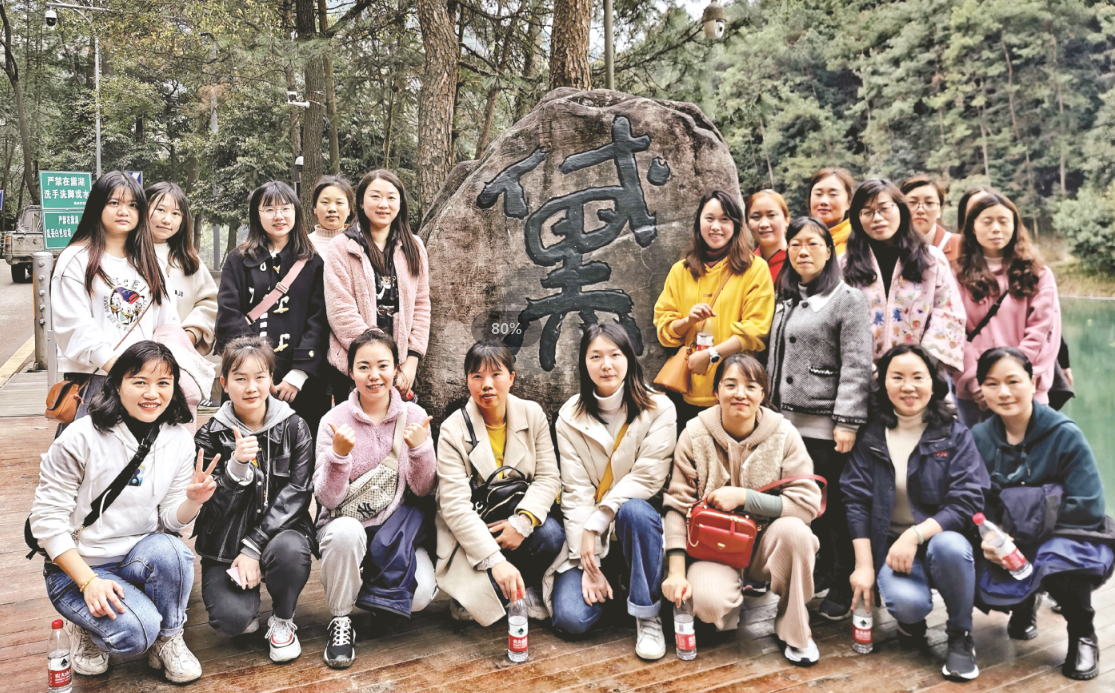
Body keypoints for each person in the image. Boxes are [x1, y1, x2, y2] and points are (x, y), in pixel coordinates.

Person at [29, 341, 214, 683]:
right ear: (116, 384)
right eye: (139, 381)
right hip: (77, 568)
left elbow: (169, 519)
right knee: (136, 634)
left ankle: (169, 639)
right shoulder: (81, 437)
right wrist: (88, 582)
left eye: (163, 383)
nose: (152, 393)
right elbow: (46, 520)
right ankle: (85, 626)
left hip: (134, 558)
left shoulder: (178, 440)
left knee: (173, 551)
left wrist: (194, 500)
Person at [662, 354, 824, 667]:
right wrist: (677, 572)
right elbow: (677, 506)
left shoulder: (784, 434)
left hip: (766, 544)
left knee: (797, 533)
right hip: (713, 550)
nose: (740, 394)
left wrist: (744, 498)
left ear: (763, 394)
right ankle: (730, 604)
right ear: (716, 391)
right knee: (708, 604)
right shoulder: (694, 434)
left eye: (751, 386)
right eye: (730, 385)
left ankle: (795, 631)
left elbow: (807, 505)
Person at [842, 344, 989, 682]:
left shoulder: (954, 433)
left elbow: (968, 499)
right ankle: (912, 623)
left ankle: (960, 635)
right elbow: (855, 499)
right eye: (897, 377)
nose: (908, 387)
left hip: (940, 539)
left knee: (950, 546)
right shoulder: (871, 434)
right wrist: (864, 565)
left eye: (918, 377)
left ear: (934, 384)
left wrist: (915, 534)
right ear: (883, 384)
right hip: (891, 545)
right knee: (907, 605)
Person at [971, 347, 1113, 681]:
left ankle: (1083, 634)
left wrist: (1030, 530)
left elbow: (1088, 505)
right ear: (982, 390)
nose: (1004, 392)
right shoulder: (978, 437)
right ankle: (1023, 604)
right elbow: (974, 500)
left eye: (1013, 381)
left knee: (1059, 558)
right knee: (963, 553)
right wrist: (992, 535)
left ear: (1033, 383)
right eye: (992, 384)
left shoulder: (1065, 434)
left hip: (1062, 531)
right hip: (1006, 535)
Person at [765, 216, 873, 620]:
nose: (803, 251)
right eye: (795, 244)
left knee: (837, 505)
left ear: (829, 251)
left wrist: (847, 420)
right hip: (787, 424)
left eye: (812, 243)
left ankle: (844, 580)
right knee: (807, 503)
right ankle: (825, 568)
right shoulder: (787, 298)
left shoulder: (847, 299)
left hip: (827, 424)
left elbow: (857, 363)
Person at [548, 323, 677, 660]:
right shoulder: (569, 417)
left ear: (629, 359)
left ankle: (647, 614)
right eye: (596, 357)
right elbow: (575, 491)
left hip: (636, 531)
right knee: (570, 618)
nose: (606, 365)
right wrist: (587, 562)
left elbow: (648, 477)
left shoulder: (659, 408)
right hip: (590, 537)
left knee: (634, 509)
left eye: (614, 355)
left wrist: (598, 520)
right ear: (584, 363)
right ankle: (616, 589)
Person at [314, 328, 438, 669]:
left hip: (394, 532)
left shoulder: (414, 416)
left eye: (383, 366)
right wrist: (339, 457)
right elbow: (327, 498)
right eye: (364, 367)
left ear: (396, 369)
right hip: (346, 526)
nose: (374, 375)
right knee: (346, 533)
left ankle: (375, 594)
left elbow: (424, 489)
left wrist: (421, 450)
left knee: (421, 594)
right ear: (350, 371)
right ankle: (341, 618)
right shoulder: (333, 420)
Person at [192, 335, 316, 663]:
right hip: (224, 544)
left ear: (271, 379)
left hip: (279, 537)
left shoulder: (295, 427)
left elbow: (298, 493)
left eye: (260, 377)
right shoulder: (209, 434)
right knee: (233, 622)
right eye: (240, 378)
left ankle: (283, 619)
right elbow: (210, 508)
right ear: (224, 382)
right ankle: (247, 604)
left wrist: (253, 546)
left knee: (291, 549)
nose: (251, 388)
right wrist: (236, 467)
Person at [434, 340, 565, 626]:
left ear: (511, 378)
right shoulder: (453, 429)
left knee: (552, 535)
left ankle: (527, 584)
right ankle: (487, 584)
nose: (487, 385)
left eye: (496, 374)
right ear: (467, 381)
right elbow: (454, 506)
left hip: (517, 519)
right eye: (477, 376)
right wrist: (495, 560)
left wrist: (522, 523)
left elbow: (548, 477)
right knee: (482, 599)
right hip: (477, 531)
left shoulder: (532, 414)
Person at [51, 171, 179, 428]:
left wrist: (155, 376)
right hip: (95, 381)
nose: (124, 211)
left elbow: (168, 324)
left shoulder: (149, 262)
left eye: (133, 205)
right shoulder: (76, 259)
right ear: (97, 206)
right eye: (114, 202)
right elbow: (75, 326)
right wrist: (123, 372)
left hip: (145, 386)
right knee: (92, 452)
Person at [215, 180, 329, 436]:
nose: (279, 216)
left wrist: (298, 374)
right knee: (244, 447)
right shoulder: (238, 260)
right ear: (257, 215)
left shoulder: (313, 263)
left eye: (286, 208)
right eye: (269, 209)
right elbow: (228, 316)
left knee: (300, 446)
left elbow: (319, 321)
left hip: (299, 382)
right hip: (248, 381)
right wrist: (256, 375)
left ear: (296, 212)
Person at [653, 191, 775, 428]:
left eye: (725, 219)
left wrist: (711, 355)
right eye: (709, 218)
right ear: (699, 221)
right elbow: (664, 327)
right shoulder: (681, 270)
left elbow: (756, 330)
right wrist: (688, 321)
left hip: (736, 392)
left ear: (736, 225)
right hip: (688, 391)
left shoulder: (755, 268)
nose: (716, 227)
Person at [953, 193, 1061, 427]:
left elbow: (1043, 332)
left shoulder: (1038, 274)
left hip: (1027, 392)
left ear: (1014, 226)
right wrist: (978, 382)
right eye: (987, 221)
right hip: (975, 395)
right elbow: (953, 333)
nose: (996, 228)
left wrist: (1015, 380)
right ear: (972, 227)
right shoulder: (955, 276)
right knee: (977, 449)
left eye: (1003, 221)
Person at [324, 169, 430, 402]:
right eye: (375, 196)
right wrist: (378, 365)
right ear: (361, 202)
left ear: (400, 203)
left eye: (391, 197)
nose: (383, 204)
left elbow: (421, 305)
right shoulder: (341, 247)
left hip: (402, 368)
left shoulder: (414, 247)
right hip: (355, 368)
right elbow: (340, 310)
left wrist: (411, 362)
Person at [842, 179, 966, 372]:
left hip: (918, 373)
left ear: (900, 209)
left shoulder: (931, 259)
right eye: (867, 212)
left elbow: (948, 313)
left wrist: (922, 361)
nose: (877, 218)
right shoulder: (843, 264)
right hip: (861, 373)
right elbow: (835, 319)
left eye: (884, 208)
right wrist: (863, 366)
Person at [146, 181, 218, 355]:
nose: (167, 219)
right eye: (160, 210)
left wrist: (189, 336)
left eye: (176, 213)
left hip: (176, 358)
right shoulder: (121, 255)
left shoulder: (188, 261)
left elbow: (210, 304)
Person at [900, 175, 961, 261]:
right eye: (912, 202)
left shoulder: (960, 245)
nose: (920, 210)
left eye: (929, 203)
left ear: (939, 210)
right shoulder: (891, 246)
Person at [806, 168, 856, 254]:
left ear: (849, 202)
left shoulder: (857, 243)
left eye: (833, 194)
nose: (824, 201)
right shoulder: (799, 241)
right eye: (818, 194)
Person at [308, 174, 356, 262]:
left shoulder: (358, 243)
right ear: (315, 208)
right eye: (325, 202)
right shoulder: (304, 245)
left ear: (349, 209)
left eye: (339, 203)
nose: (332, 209)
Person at [746, 190, 790, 283]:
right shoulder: (744, 264)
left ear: (786, 219)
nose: (764, 224)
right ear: (747, 224)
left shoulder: (798, 261)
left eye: (771, 215)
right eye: (756, 217)